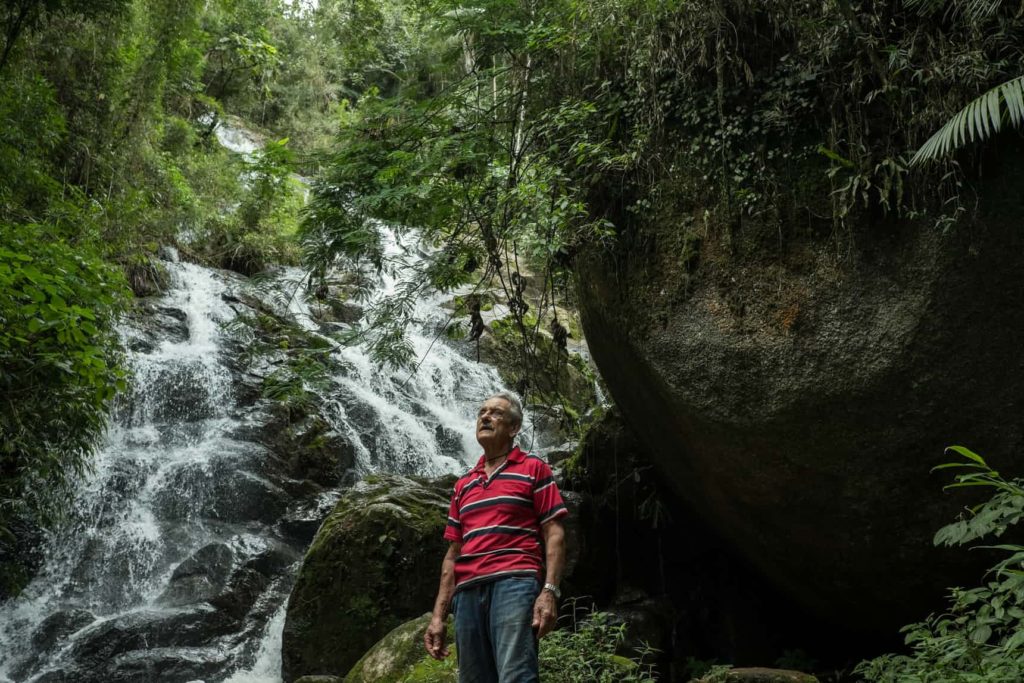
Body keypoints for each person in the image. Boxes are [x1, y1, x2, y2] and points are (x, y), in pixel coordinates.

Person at [424, 392, 568, 682]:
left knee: (516, 676)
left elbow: (554, 532)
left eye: (496, 413)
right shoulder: (463, 484)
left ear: (514, 428)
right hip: (466, 595)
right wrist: (438, 617)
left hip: (514, 584)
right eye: (482, 412)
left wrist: (549, 591)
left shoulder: (533, 469)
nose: (486, 417)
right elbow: (453, 554)